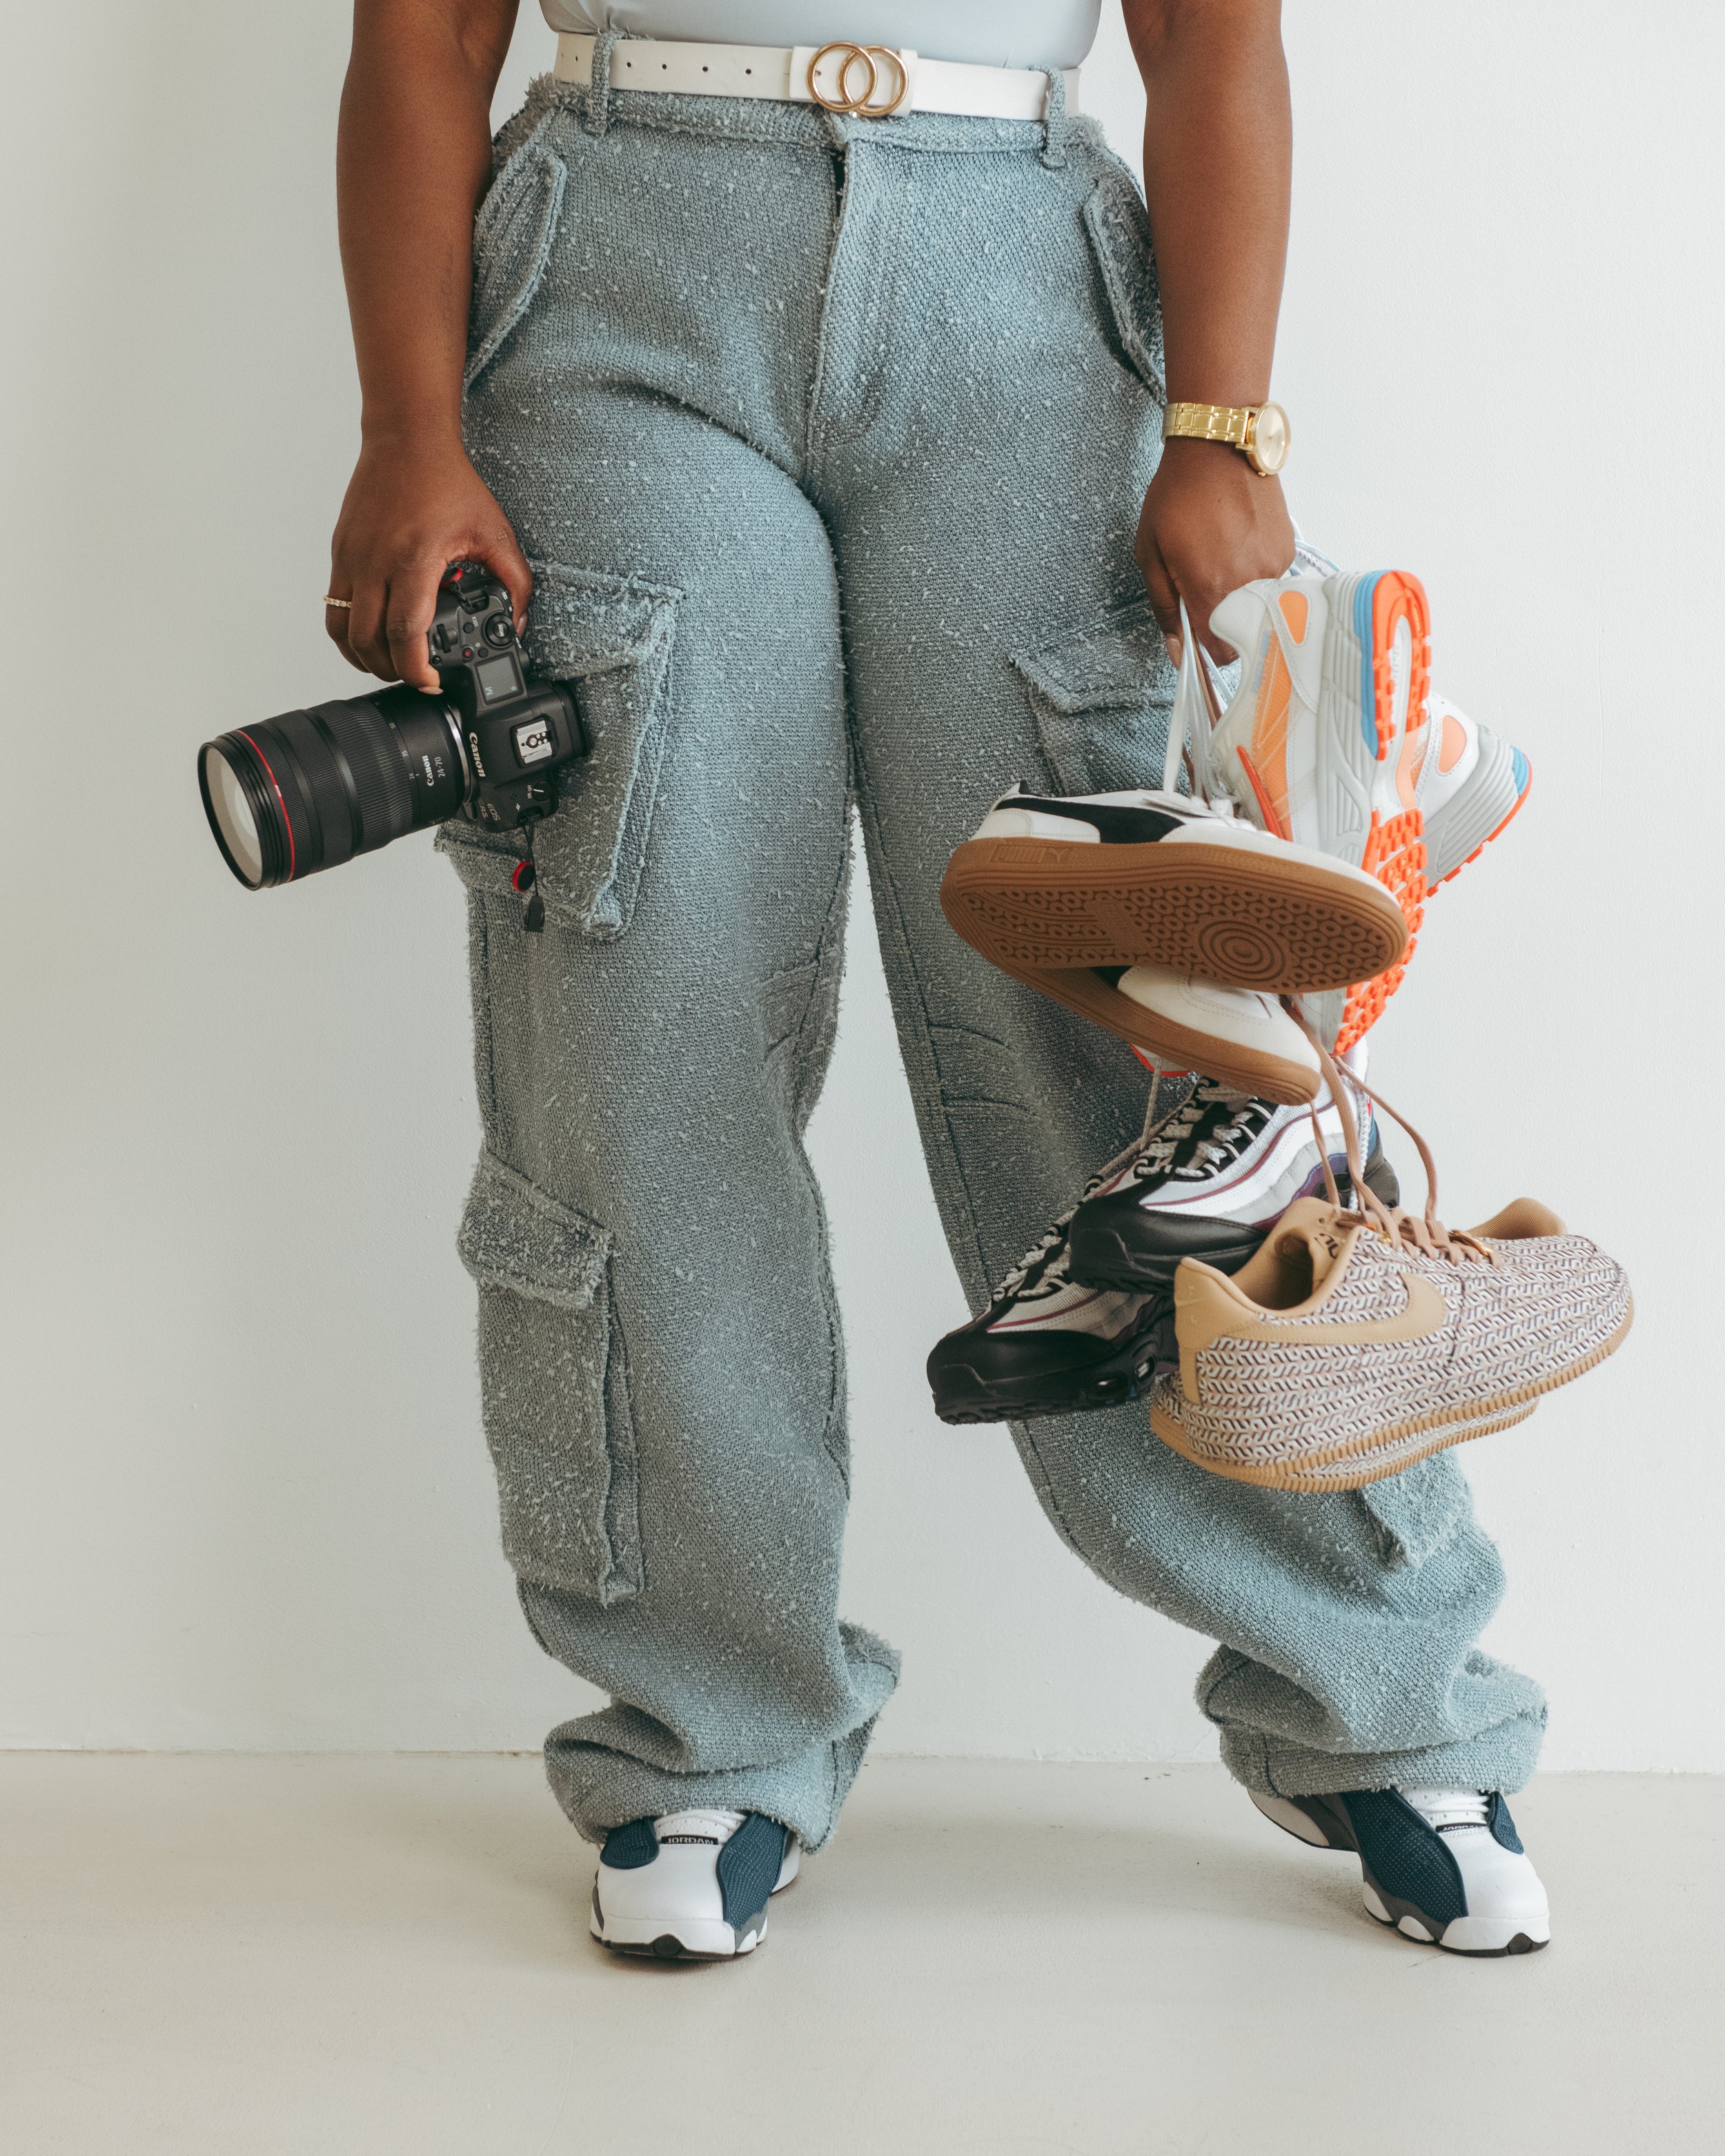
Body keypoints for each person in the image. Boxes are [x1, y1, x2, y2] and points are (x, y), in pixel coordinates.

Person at [325, 0, 1551, 1961]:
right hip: (615, 268)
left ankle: (1386, 1697)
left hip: (1022, 286)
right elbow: (425, 29)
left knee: (1143, 1036)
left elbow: (1210, 30)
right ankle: (709, 1731)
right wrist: (408, 429)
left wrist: (1223, 426)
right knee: (648, 1046)